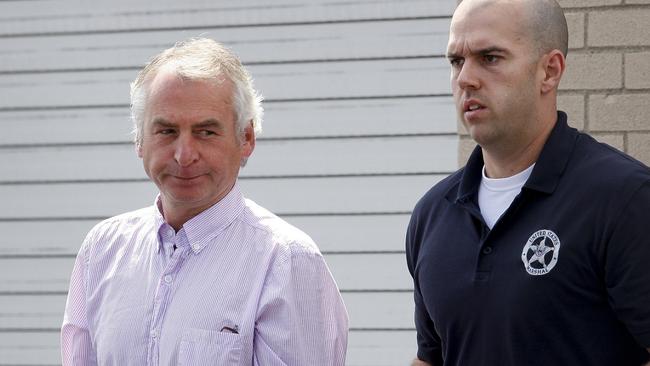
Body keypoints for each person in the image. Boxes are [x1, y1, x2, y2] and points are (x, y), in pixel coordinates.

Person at [61, 38, 348, 365]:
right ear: (139, 139)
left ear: (246, 139)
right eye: (167, 131)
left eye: (206, 132)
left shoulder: (285, 261)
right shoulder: (102, 250)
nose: (184, 155)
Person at [405, 0, 650, 365]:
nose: (465, 79)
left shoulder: (624, 197)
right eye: (457, 61)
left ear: (549, 71)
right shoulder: (432, 215)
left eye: (489, 57)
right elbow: (431, 357)